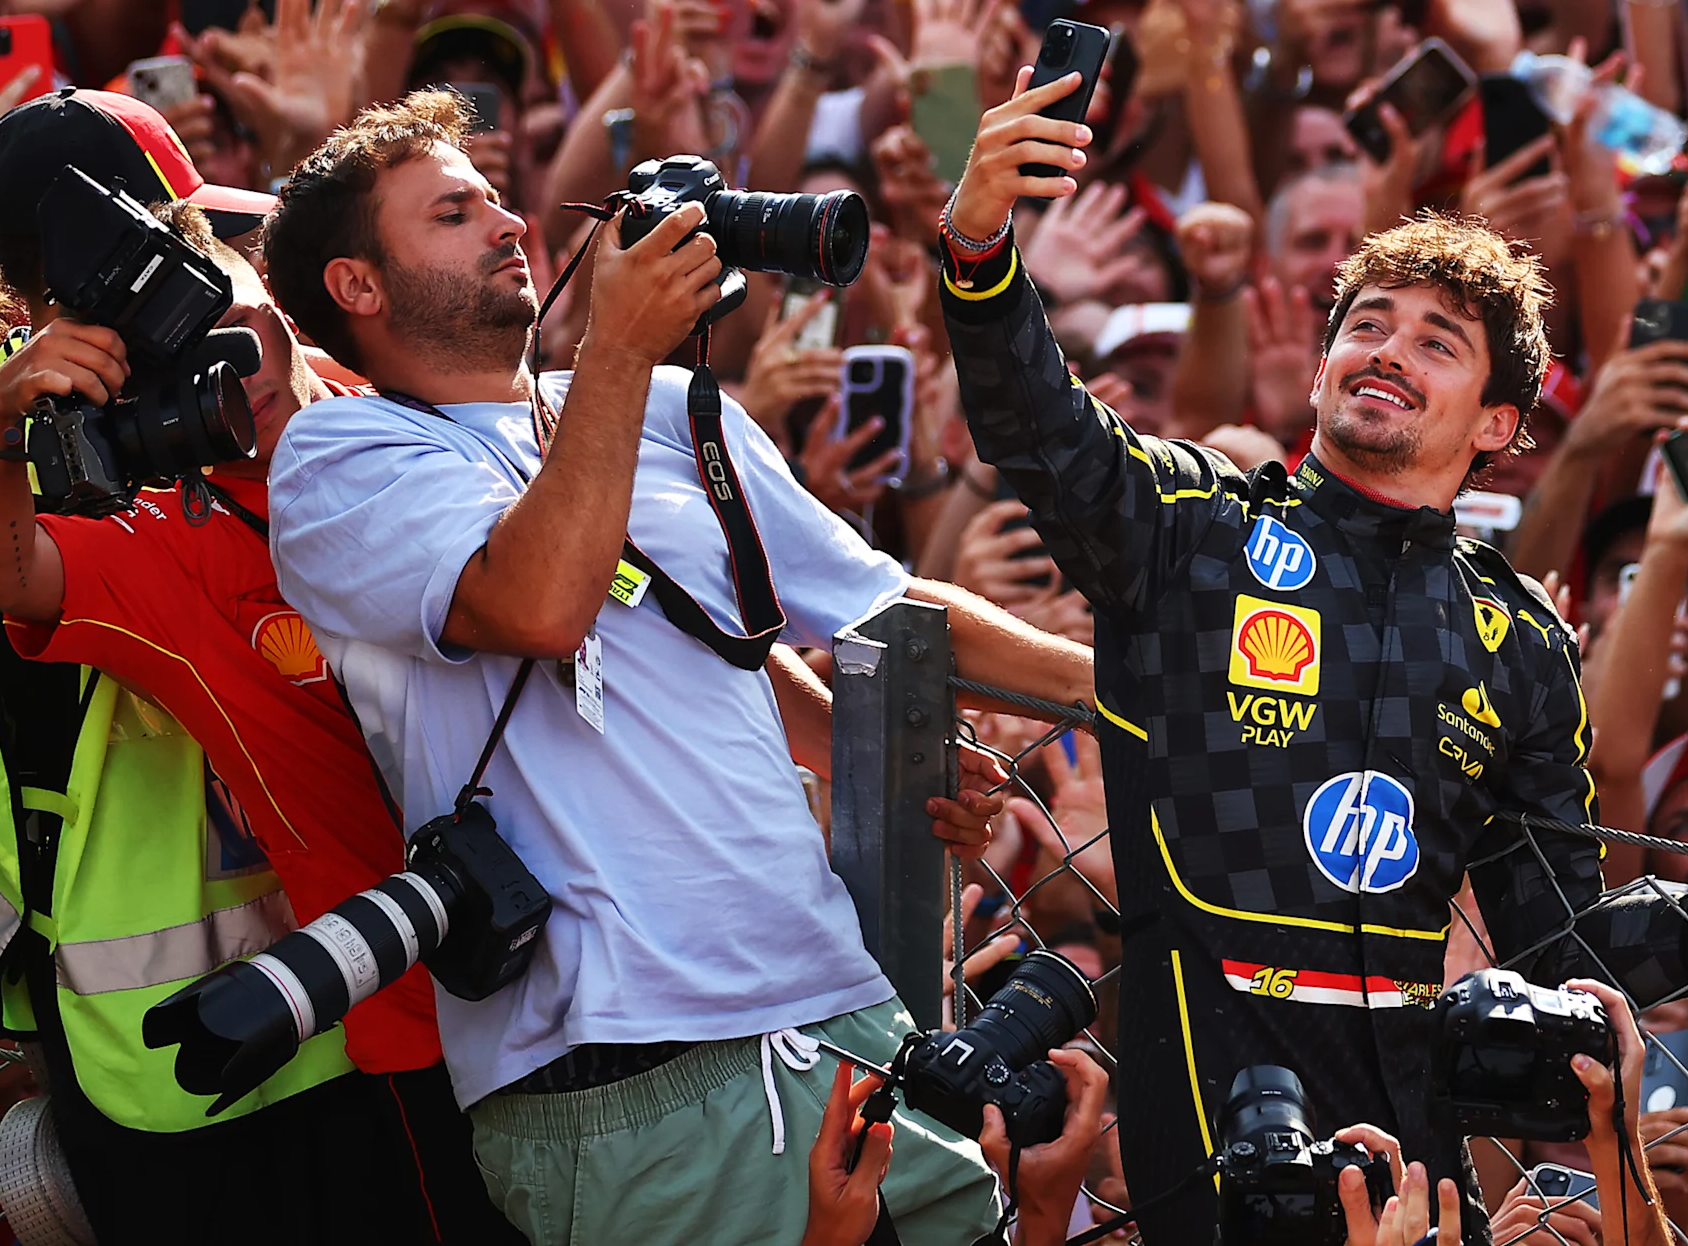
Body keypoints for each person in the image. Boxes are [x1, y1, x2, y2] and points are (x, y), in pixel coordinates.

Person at [934, 64, 1688, 1246]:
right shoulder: (1192, 532)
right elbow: (1034, 420)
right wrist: (977, 242)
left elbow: (1562, 942)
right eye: (1363, 325)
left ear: (1498, 429)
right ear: (1317, 368)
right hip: (1203, 1144)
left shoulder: (1517, 641)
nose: (1385, 351)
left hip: (1418, 1170)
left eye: (1436, 342)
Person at [261, 93, 1088, 1246]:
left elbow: (880, 609)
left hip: (837, 1009)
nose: (508, 222)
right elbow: (542, 602)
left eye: (498, 196)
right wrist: (612, 350)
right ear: (357, 286)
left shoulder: (658, 409)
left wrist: (1134, 693)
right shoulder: (341, 460)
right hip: (620, 1073)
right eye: (454, 212)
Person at [0, 92, 517, 1241]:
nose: (204, 318)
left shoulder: (348, 409)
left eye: (199, 264)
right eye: (152, 277)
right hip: (186, 1052)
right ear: (47, 301)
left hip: (424, 992)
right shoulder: (61, 471)